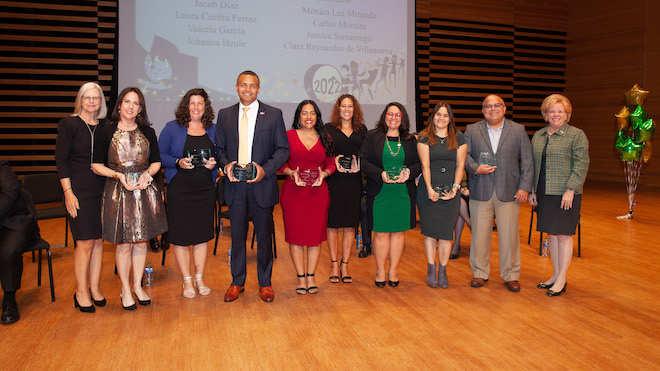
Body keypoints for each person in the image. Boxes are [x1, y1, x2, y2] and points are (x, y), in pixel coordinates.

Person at [215, 71, 289, 303]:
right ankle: (237, 282)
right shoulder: (225, 115)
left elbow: (283, 149)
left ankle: (265, 283)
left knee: (264, 237)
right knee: (237, 237)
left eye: (252, 86)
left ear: (258, 89)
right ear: (236, 87)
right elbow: (219, 149)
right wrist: (227, 166)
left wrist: (264, 170)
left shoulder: (274, 115)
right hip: (235, 186)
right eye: (243, 85)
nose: (248, 89)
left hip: (262, 185)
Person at [92, 87, 167, 310]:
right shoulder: (106, 131)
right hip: (118, 191)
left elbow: (156, 162)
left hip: (143, 190)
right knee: (124, 244)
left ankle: (137, 285)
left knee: (141, 241)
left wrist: (147, 175)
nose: (130, 107)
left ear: (140, 108)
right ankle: (125, 288)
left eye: (136, 103)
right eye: (127, 102)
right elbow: (96, 166)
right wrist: (118, 175)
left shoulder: (148, 131)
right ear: (119, 105)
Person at [464, 94, 533, 292]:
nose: (492, 109)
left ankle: (511, 274)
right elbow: (464, 155)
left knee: (510, 235)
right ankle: (479, 272)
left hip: (510, 190)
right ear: (483, 110)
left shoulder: (517, 130)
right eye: (488, 106)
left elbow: (527, 160)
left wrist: (524, 187)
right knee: (479, 234)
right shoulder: (472, 129)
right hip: (480, 188)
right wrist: (475, 168)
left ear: (504, 109)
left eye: (496, 106)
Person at [158, 88, 217, 299]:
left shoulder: (213, 129)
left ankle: (199, 278)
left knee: (202, 236)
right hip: (180, 190)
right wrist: (177, 162)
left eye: (200, 103)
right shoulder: (172, 128)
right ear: (186, 106)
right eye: (192, 103)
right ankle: (187, 281)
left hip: (205, 190)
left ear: (206, 107)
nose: (196, 107)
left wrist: (214, 166)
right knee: (181, 237)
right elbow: (159, 155)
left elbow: (220, 156)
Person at [55, 82, 108, 312]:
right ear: (80, 100)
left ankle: (95, 288)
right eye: (87, 98)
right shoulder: (68, 125)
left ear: (101, 102)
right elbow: (61, 161)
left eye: (96, 98)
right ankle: (81, 291)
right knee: (84, 242)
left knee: (98, 241)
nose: (92, 102)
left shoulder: (106, 127)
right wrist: (68, 192)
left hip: (103, 191)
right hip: (78, 192)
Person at [529, 94, 589, 297]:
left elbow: (581, 164)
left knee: (564, 235)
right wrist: (532, 191)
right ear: (545, 115)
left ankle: (562, 278)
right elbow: (534, 166)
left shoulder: (576, 135)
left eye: (560, 111)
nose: (556, 114)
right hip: (544, 193)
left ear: (567, 115)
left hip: (566, 194)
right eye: (552, 111)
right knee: (551, 235)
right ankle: (555, 275)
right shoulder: (538, 136)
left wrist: (571, 189)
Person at [359, 102, 420, 287]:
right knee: (380, 233)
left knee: (398, 233)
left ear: (403, 118)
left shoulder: (410, 140)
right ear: (384, 116)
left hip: (402, 193)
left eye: (397, 115)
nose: (393, 117)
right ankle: (379, 270)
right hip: (380, 192)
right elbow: (362, 160)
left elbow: (418, 164)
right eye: (390, 114)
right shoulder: (372, 136)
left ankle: (393, 270)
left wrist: (408, 172)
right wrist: (380, 174)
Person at [280, 100, 335, 295]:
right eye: (304, 113)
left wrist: (324, 174)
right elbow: (278, 162)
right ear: (298, 116)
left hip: (318, 194)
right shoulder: (288, 136)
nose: (309, 116)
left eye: (312, 113)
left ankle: (311, 276)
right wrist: (290, 172)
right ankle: (300, 277)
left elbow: (331, 163)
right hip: (294, 193)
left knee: (314, 238)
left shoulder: (325, 137)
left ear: (317, 116)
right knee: (295, 237)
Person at [416, 102, 467, 288]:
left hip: (451, 190)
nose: (441, 118)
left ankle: (443, 270)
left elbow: (461, 165)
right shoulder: (424, 136)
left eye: (445, 115)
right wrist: (429, 188)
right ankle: (431, 268)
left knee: (446, 233)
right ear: (433, 117)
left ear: (450, 118)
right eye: (438, 114)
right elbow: (425, 165)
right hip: (428, 190)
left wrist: (455, 187)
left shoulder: (458, 137)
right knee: (430, 232)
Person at [324, 94, 366, 284]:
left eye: (350, 106)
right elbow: (322, 154)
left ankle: (345, 264)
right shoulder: (328, 129)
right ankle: (334, 264)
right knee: (332, 224)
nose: (347, 109)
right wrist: (334, 161)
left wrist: (360, 163)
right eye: (344, 106)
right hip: (333, 181)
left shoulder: (362, 130)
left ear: (354, 109)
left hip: (353, 183)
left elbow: (366, 154)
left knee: (350, 224)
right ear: (338, 108)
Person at [0, 161, 40, 324]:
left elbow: (9, 193)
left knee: (8, 251)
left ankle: (9, 299)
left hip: (14, 221)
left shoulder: (1, 166)